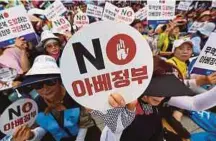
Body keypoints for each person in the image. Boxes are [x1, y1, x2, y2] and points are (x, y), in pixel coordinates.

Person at [93, 56, 216, 141]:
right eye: (156, 87)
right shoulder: (120, 104)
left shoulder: (160, 96)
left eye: (165, 88)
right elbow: (110, 134)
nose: (162, 96)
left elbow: (195, 103)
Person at [12, 55, 101, 141]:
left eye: (50, 82)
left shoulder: (76, 95)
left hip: (89, 135)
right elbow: (45, 127)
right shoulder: (35, 106)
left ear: (59, 80)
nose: (45, 89)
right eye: (38, 85)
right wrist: (31, 135)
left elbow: (85, 123)